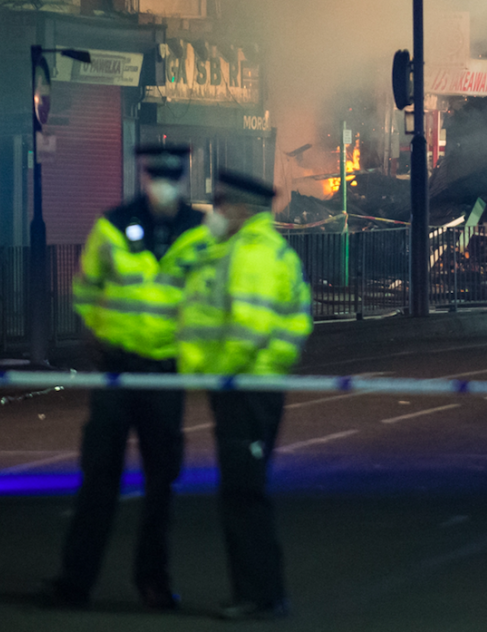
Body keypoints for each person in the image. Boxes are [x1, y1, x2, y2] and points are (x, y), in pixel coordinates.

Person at [46, 145, 208, 609]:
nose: (162, 185)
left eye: (169, 177)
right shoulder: (113, 225)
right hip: (118, 371)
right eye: (155, 177)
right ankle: (75, 582)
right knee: (98, 478)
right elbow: (86, 288)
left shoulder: (199, 235)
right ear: (144, 177)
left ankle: (152, 581)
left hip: (164, 374)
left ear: (181, 180)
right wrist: (95, 335)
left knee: (161, 485)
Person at [177, 170, 313, 620]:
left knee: (243, 493)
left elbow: (246, 331)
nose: (214, 212)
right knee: (245, 490)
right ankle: (261, 590)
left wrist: (212, 373)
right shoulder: (253, 249)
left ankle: (258, 593)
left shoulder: (251, 255)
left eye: (220, 204)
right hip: (253, 386)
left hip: (245, 388)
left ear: (240, 208)